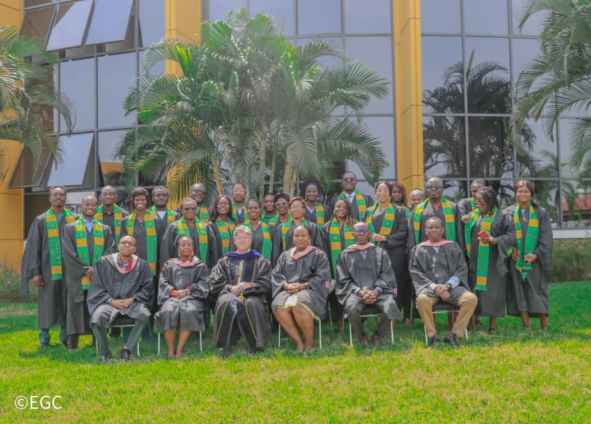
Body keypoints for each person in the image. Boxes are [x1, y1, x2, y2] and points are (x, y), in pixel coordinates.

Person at [21, 185, 76, 348]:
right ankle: (44, 339)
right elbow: (34, 248)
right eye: (55, 194)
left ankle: (65, 337)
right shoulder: (41, 220)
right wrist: (36, 272)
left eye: (62, 195)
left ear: (65, 198)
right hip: (47, 270)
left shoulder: (73, 219)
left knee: (67, 302)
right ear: (50, 198)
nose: (59, 197)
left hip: (69, 271)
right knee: (46, 303)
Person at [409, 217, 478, 347]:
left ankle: (453, 334)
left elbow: (461, 268)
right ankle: (433, 335)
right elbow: (416, 273)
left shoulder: (453, 246)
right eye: (430, 227)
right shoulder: (418, 249)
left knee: (470, 299)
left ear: (442, 229)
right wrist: (436, 288)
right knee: (422, 300)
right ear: (425, 231)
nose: (434, 230)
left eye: (437, 227)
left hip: (452, 288)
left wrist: (447, 286)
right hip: (430, 289)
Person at [87, 236, 155, 362]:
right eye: (123, 242)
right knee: (96, 318)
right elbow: (96, 286)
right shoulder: (104, 262)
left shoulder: (142, 265)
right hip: (108, 303)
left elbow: (148, 288)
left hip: (132, 304)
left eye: (130, 243)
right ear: (118, 246)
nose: (126, 245)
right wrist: (111, 301)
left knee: (144, 314)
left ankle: (127, 349)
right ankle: (105, 352)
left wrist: (133, 299)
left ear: (135, 248)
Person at [336, 222, 402, 347]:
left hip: (379, 292)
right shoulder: (345, 254)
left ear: (369, 234)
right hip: (356, 293)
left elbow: (386, 274)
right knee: (351, 308)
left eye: (364, 231)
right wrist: (360, 292)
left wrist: (375, 291)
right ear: (353, 234)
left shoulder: (380, 252)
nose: (361, 234)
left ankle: (378, 335)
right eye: (358, 231)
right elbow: (343, 279)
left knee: (390, 305)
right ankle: (362, 336)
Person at [211, 226, 273, 358]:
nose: (242, 240)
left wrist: (251, 285)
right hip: (230, 293)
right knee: (225, 302)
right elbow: (216, 282)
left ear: (250, 240)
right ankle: (225, 344)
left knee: (251, 303)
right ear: (234, 241)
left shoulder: (260, 260)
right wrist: (230, 288)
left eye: (245, 237)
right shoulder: (225, 260)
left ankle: (256, 344)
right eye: (239, 238)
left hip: (253, 294)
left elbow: (266, 282)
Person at [62, 196, 114, 350]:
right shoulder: (70, 228)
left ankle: (97, 341)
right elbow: (68, 253)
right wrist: (85, 269)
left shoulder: (105, 229)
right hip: (76, 277)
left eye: (93, 204)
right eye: (87, 204)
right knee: (75, 307)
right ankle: (73, 344)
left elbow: (109, 251)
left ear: (97, 206)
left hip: (99, 277)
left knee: (98, 306)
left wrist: (96, 269)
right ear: (81, 206)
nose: (90, 207)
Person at [272, 225, 331, 352]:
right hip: (288, 290)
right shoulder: (285, 255)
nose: (300, 238)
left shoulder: (318, 254)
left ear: (309, 237)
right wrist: (286, 285)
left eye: (303, 236)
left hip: (310, 289)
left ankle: (309, 342)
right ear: (292, 238)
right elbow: (276, 274)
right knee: (278, 306)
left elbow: (323, 276)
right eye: (297, 236)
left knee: (300, 303)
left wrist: (304, 286)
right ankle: (299, 342)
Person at [505, 180, 553, 330]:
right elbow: (503, 235)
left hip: (535, 261)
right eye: (520, 191)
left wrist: (536, 255)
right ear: (515, 193)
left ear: (531, 194)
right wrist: (510, 249)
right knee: (519, 291)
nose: (523, 194)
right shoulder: (508, 212)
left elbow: (546, 237)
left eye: (526, 191)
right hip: (516, 261)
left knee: (537, 291)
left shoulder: (540, 212)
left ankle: (544, 326)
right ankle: (527, 327)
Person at [466, 187, 514, 333]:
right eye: (476, 201)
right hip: (476, 261)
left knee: (494, 293)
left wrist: (494, 240)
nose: (477, 203)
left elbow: (511, 235)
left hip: (494, 262)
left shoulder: (503, 215)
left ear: (490, 201)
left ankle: (492, 326)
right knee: (475, 292)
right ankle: (472, 325)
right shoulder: (474, 216)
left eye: (481, 201)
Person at [363, 181, 412, 324]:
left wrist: (385, 238)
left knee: (395, 283)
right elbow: (364, 232)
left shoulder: (399, 211)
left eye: (385, 190)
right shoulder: (368, 212)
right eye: (379, 190)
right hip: (373, 253)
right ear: (375, 193)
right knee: (375, 282)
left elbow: (403, 233)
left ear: (390, 194)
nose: (382, 193)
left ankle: (392, 318)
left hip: (394, 253)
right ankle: (378, 315)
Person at [155, 236, 210, 358]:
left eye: (189, 245)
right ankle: (170, 348)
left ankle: (180, 347)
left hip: (193, 298)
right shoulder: (169, 265)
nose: (186, 247)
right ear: (178, 248)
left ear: (193, 247)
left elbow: (204, 284)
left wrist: (187, 291)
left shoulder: (200, 266)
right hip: (172, 297)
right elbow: (163, 282)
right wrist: (174, 292)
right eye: (183, 245)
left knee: (188, 310)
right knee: (168, 310)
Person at [321, 198, 357, 332]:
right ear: (333, 209)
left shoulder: (355, 225)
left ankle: (355, 324)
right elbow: (324, 249)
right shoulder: (327, 227)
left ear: (348, 210)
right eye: (338, 207)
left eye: (344, 207)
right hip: (334, 266)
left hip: (353, 266)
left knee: (353, 294)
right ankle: (340, 326)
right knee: (336, 295)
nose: (341, 209)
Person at [408, 177, 463, 252]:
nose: (433, 189)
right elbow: (412, 235)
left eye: (437, 187)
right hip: (424, 252)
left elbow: (459, 232)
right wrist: (412, 252)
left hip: (448, 252)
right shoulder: (417, 210)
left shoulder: (453, 207)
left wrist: (460, 252)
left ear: (442, 189)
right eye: (429, 187)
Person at [120, 187, 165, 277]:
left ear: (147, 201)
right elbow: (122, 244)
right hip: (131, 264)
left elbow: (161, 243)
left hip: (152, 264)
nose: (140, 202)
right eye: (137, 200)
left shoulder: (155, 220)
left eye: (143, 199)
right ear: (133, 201)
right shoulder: (126, 221)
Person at [161, 198, 216, 269]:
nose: (190, 211)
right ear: (182, 210)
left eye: (193, 208)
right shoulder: (173, 227)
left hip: (202, 269)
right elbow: (166, 251)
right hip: (179, 270)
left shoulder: (206, 227)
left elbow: (213, 251)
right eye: (187, 209)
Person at [271, 196, 323, 266]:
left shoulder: (312, 227)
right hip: (288, 265)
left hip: (308, 265)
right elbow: (276, 250)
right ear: (290, 210)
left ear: (304, 210)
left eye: (298, 207)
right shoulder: (282, 228)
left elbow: (318, 249)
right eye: (293, 207)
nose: (295, 209)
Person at [95, 185, 129, 250]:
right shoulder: (94, 214)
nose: (108, 196)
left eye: (111, 194)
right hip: (99, 250)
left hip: (119, 251)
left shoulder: (124, 215)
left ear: (116, 197)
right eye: (105, 194)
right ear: (100, 197)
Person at [206, 195, 237, 265]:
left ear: (230, 206)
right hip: (217, 262)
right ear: (216, 206)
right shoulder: (211, 225)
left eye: (226, 204)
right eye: (220, 204)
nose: (223, 206)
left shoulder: (234, 224)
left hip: (234, 262)